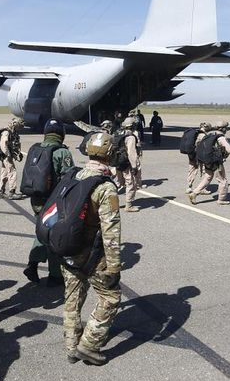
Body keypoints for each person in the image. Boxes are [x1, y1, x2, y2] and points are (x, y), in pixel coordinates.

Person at [61, 132, 122, 365]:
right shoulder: (105, 187)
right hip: (92, 253)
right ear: (110, 154)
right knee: (110, 297)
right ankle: (89, 345)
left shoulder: (73, 175)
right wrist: (113, 266)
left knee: (73, 296)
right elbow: (111, 230)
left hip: (68, 247)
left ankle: (71, 346)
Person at [23, 119, 75, 287]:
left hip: (36, 199)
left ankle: (33, 263)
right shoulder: (62, 152)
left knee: (42, 230)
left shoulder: (36, 149)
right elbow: (69, 178)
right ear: (61, 134)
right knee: (54, 236)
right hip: (53, 202)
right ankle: (55, 276)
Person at [188, 120, 230, 205]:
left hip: (207, 160)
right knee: (223, 180)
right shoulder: (221, 137)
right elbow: (229, 149)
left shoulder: (209, 134)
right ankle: (221, 199)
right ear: (223, 129)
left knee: (208, 177)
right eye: (226, 128)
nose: (226, 129)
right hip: (216, 162)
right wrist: (224, 155)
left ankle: (194, 193)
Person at [115, 118, 142, 212]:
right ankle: (128, 205)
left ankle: (110, 201)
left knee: (118, 183)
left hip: (117, 162)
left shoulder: (119, 134)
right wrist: (134, 166)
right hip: (126, 164)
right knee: (130, 183)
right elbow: (131, 153)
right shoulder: (131, 137)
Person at [0, 117, 25, 199]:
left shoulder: (13, 132)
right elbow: (3, 144)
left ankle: (1, 191)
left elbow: (15, 144)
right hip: (6, 156)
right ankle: (12, 192)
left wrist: (18, 153)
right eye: (19, 126)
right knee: (12, 172)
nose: (20, 128)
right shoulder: (6, 132)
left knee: (5, 173)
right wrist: (8, 155)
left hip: (7, 155)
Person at [186, 122, 211, 194]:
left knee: (191, 170)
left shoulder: (195, 133)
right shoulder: (203, 135)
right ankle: (202, 188)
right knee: (204, 171)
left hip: (192, 154)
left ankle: (189, 187)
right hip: (200, 155)